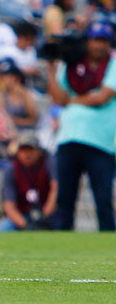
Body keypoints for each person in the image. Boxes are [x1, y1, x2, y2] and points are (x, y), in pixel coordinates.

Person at [46, 21, 116, 231]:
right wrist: (51, 67)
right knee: (65, 200)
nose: (98, 46)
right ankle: (63, 252)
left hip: (100, 141)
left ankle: (109, 248)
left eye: (103, 41)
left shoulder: (113, 65)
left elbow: (102, 98)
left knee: (103, 200)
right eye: (95, 40)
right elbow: (58, 97)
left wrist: (72, 101)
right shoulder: (72, 65)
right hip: (69, 137)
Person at [0, 132, 58, 231]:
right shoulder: (11, 169)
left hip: (48, 215)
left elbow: (55, 189)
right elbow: (9, 205)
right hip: (22, 215)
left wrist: (45, 216)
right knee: (4, 229)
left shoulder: (49, 163)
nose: (27, 154)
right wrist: (26, 225)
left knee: (61, 225)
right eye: (23, 150)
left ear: (39, 151)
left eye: (30, 150)